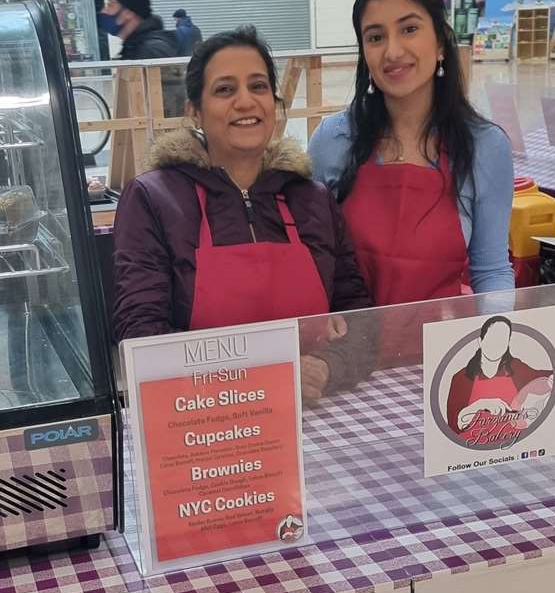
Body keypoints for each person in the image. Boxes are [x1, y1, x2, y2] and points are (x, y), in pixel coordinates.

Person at [112, 26, 375, 402]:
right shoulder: (154, 199)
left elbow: (361, 319)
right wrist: (253, 384)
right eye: (224, 90)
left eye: (258, 87)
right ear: (195, 112)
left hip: (314, 411)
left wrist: (329, 365)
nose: (245, 101)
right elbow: (139, 332)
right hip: (211, 421)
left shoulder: (311, 199)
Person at [309, 0, 514, 366]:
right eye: (375, 37)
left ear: (440, 41)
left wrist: (501, 343)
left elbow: (491, 270)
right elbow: (309, 262)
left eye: (409, 29)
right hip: (344, 361)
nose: (393, 51)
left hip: (446, 362)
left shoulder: (484, 147)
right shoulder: (332, 141)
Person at [445, 316, 553, 445]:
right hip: (472, 448)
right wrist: (481, 405)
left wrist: (551, 380)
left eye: (502, 340)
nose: (497, 345)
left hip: (514, 444)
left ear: (507, 344)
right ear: (481, 341)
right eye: (492, 338)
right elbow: (453, 426)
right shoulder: (461, 378)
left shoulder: (516, 367)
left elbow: (541, 377)